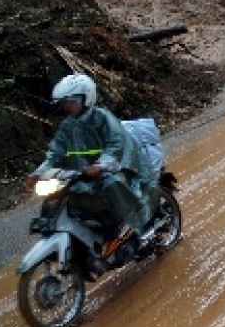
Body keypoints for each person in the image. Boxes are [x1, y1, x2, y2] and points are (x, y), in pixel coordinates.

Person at [27, 73, 157, 258]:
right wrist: (38, 173)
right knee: (61, 196)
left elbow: (116, 145)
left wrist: (100, 165)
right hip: (83, 176)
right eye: (65, 103)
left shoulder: (102, 117)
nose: (68, 107)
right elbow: (54, 154)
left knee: (112, 183)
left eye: (70, 102)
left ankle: (138, 224)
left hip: (115, 170)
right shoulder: (67, 126)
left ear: (84, 98)